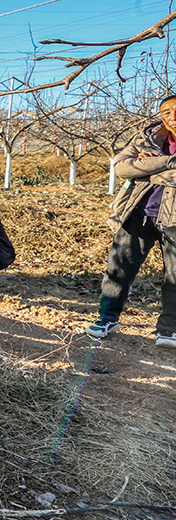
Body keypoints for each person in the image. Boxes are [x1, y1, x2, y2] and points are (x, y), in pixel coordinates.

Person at [86, 94, 176, 347]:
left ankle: (169, 328)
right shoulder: (145, 137)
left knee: (175, 274)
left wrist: (147, 166)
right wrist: (169, 162)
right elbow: (122, 167)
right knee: (119, 267)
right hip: (137, 212)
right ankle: (107, 318)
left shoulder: (149, 148)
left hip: (174, 218)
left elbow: (137, 168)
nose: (172, 117)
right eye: (166, 112)